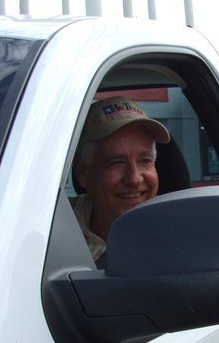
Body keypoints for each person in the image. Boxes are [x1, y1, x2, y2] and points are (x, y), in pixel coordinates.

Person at [71, 96, 170, 264]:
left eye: (145, 161)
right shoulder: (49, 232)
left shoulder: (180, 235)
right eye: (116, 163)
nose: (134, 179)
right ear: (82, 172)